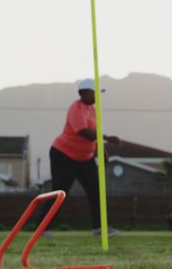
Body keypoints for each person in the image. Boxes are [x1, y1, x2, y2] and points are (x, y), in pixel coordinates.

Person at [38, 78, 120, 236]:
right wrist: (108, 138)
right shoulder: (76, 109)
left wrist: (103, 150)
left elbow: (94, 135)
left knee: (96, 191)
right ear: (84, 93)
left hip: (85, 158)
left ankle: (99, 227)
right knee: (60, 193)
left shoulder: (92, 110)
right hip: (64, 155)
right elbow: (84, 132)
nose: (97, 96)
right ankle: (42, 228)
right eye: (95, 92)